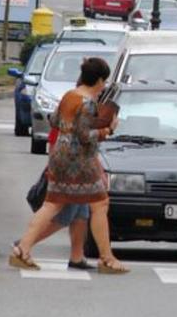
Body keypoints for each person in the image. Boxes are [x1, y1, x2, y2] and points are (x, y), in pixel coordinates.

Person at [10, 57, 128, 274]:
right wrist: (108, 129)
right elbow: (85, 136)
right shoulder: (87, 103)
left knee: (65, 206)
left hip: (61, 155)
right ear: (99, 80)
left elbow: (54, 120)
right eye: (104, 81)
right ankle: (106, 258)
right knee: (99, 204)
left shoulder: (70, 96)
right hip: (79, 160)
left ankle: (58, 253)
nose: (104, 86)